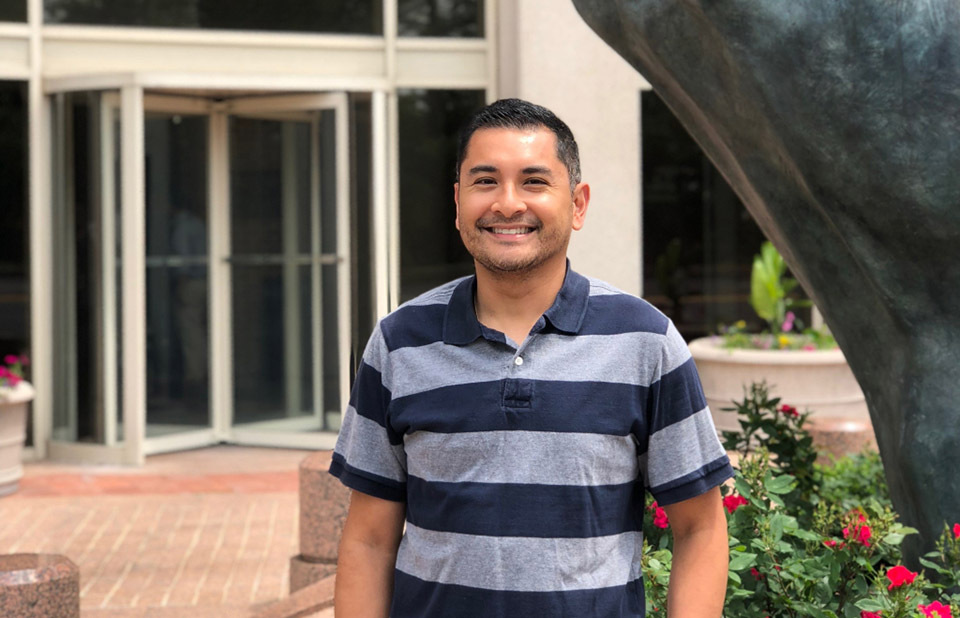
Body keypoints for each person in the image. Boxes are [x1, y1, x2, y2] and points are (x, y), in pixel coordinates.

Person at [330, 98, 732, 617]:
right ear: (457, 203)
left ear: (578, 203)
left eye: (534, 181)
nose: (507, 203)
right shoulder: (399, 343)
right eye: (485, 181)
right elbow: (368, 540)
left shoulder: (645, 343)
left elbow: (700, 527)